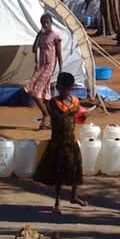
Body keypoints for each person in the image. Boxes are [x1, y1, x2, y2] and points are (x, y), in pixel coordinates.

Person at [34, 72, 87, 214]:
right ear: (58, 87)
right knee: (58, 174)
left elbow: (77, 120)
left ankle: (73, 196)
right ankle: (57, 202)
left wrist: (83, 115)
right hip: (58, 143)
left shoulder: (74, 101)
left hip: (71, 141)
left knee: (75, 170)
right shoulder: (52, 103)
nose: (66, 92)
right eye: (63, 89)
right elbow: (57, 117)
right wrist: (71, 112)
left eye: (68, 89)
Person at [24, 13, 63, 130]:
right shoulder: (41, 36)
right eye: (43, 23)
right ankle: (50, 119)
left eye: (47, 23)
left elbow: (59, 54)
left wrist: (61, 70)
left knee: (36, 92)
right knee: (31, 88)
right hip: (41, 66)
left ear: (51, 23)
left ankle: (46, 115)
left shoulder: (55, 36)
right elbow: (34, 49)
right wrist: (38, 35)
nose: (45, 25)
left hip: (49, 66)